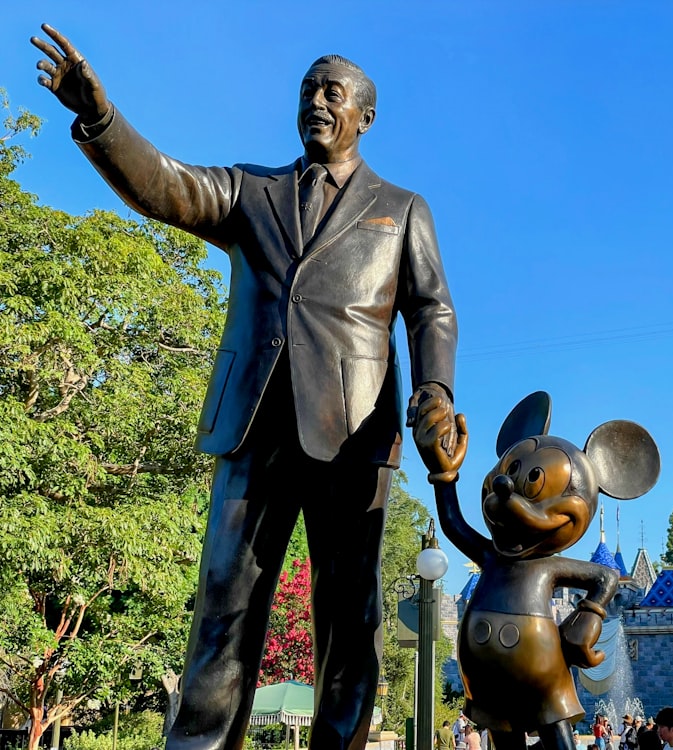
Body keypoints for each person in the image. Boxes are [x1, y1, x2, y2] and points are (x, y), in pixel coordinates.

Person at [30, 22, 459, 750]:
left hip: (354, 437)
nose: (317, 102)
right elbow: (166, 186)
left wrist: (437, 393)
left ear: (365, 116)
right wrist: (100, 120)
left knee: (349, 623)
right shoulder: (248, 190)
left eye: (333, 92)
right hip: (253, 426)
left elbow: (431, 309)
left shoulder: (402, 208)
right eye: (307, 91)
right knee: (223, 611)